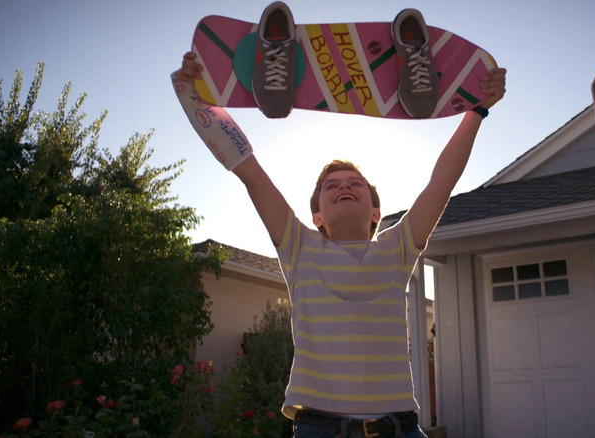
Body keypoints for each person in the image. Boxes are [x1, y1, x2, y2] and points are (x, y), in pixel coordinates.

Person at [173, 43, 506, 438]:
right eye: (332, 186)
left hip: (399, 428)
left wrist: (477, 111)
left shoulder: (397, 248)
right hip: (319, 428)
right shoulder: (299, 247)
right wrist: (194, 97)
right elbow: (248, 168)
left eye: (355, 184)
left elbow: (442, 181)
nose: (344, 187)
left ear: (375, 213)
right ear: (317, 216)